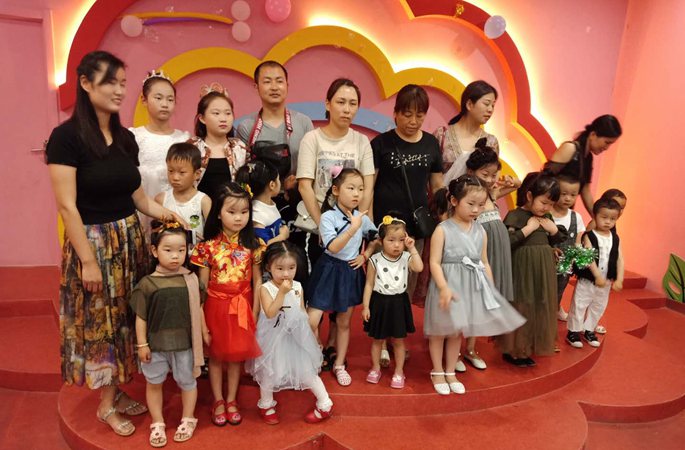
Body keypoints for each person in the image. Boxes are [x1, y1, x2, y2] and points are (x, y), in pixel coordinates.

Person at [46, 50, 192, 437]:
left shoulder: (125, 138)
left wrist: (169, 215)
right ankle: (105, 405)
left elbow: (138, 197)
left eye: (123, 83)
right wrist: (88, 261)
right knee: (102, 325)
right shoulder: (66, 139)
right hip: (93, 243)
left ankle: (116, 390)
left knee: (127, 320)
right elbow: (67, 206)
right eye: (110, 81)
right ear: (85, 83)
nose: (119, 90)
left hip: (129, 241)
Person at [297, 78, 375, 369]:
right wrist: (323, 226)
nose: (346, 109)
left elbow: (368, 186)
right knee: (317, 290)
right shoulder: (312, 139)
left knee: (343, 293)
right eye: (340, 102)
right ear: (328, 104)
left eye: (353, 103)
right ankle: (312, 349)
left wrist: (357, 225)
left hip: (352, 229)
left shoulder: (361, 142)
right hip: (315, 226)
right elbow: (305, 185)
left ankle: (332, 347)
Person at [425, 176, 525, 395]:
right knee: (439, 332)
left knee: (456, 332)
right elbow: (434, 262)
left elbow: (484, 262)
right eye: (471, 204)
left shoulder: (481, 231)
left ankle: (450, 371)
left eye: (481, 205)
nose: (476, 210)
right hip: (447, 286)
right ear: (454, 201)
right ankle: (437, 371)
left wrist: (489, 287)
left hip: (468, 286)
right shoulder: (443, 229)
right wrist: (443, 287)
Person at [190, 183, 265, 426]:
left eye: (244, 212)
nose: (238, 218)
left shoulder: (253, 245)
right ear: (218, 213)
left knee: (236, 357)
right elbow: (202, 288)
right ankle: (218, 400)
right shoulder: (206, 247)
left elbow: (257, 280)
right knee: (216, 356)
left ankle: (232, 399)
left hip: (243, 305)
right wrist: (202, 322)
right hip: (215, 307)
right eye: (231, 212)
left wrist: (255, 311)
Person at [131, 222, 206, 447]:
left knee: (188, 382)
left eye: (181, 250)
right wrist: (142, 344)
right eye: (168, 250)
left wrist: (204, 333)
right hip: (156, 345)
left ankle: (188, 418)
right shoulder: (147, 284)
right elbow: (141, 317)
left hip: (185, 344)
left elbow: (199, 309)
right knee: (154, 383)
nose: (175, 256)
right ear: (154, 251)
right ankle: (157, 422)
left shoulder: (191, 279)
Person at [246, 242, 333, 425]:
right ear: (268, 267)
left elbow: (302, 313)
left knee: (307, 370)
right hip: (272, 339)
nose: (286, 274)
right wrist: (282, 293)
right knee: (269, 371)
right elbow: (270, 312)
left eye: (291, 268)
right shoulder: (265, 288)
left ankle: (325, 404)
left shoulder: (298, 286)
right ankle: (266, 404)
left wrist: (312, 337)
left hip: (295, 336)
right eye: (280, 268)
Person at [306, 168, 377, 387]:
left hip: (349, 271)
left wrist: (365, 255)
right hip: (328, 268)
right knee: (311, 320)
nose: (357, 194)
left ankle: (339, 365)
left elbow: (376, 238)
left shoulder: (362, 218)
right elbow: (333, 247)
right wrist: (353, 228)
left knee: (344, 322)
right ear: (336, 190)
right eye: (351, 188)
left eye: (361, 189)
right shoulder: (328, 217)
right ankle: (317, 350)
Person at [237, 61, 315, 252]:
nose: (274, 87)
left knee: (297, 257)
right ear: (256, 87)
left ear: (287, 85)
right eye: (267, 81)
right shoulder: (247, 127)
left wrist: (296, 182)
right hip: (260, 207)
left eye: (279, 81)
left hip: (297, 202)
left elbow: (312, 166)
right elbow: (244, 173)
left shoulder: (303, 123)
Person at [502, 172, 568, 367]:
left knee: (539, 305)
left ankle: (529, 346)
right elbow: (506, 242)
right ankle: (515, 350)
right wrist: (528, 229)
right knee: (522, 305)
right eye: (544, 202)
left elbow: (554, 239)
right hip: (522, 269)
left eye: (551, 204)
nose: (547, 208)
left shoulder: (546, 217)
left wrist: (553, 231)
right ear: (529, 196)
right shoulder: (515, 215)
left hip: (543, 269)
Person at [464, 147, 518, 370]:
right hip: (476, 254)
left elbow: (517, 184)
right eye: (484, 174)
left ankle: (469, 348)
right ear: (471, 171)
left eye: (494, 174)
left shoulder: (492, 193)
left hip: (496, 254)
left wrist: (509, 180)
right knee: (468, 301)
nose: (489, 179)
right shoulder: (466, 196)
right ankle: (454, 348)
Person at [361, 216, 423, 389]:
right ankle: (375, 368)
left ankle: (399, 371)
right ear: (381, 241)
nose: (397, 245)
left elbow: (419, 268)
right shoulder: (375, 260)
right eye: (391, 240)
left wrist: (412, 248)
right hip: (379, 302)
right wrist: (366, 306)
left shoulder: (406, 257)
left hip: (398, 303)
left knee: (398, 340)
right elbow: (369, 284)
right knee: (377, 340)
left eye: (401, 240)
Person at [130, 71, 190, 236]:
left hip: (175, 213)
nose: (165, 104)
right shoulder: (134, 137)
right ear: (144, 100)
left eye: (170, 99)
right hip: (140, 212)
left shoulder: (183, 139)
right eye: (158, 98)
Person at [566, 198, 624, 348]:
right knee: (580, 303)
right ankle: (573, 331)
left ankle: (589, 329)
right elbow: (588, 257)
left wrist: (619, 278)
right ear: (595, 215)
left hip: (606, 281)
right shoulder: (589, 235)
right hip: (588, 279)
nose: (608, 222)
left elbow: (619, 258)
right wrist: (597, 275)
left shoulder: (615, 238)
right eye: (604, 217)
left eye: (612, 219)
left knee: (598, 305)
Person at [544, 115, 622, 213]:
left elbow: (586, 191)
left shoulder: (588, 157)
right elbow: (545, 180)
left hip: (563, 213)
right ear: (593, 134)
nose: (607, 148)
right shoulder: (570, 148)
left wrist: (598, 216)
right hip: (549, 211)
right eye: (607, 142)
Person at [433, 80, 500, 184]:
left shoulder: (491, 142)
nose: (490, 110)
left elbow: (491, 184)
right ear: (469, 104)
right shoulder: (442, 135)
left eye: (493, 105)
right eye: (486, 104)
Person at [189, 85, 247, 198]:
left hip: (232, 207)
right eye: (216, 113)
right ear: (202, 118)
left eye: (228, 113)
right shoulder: (192, 147)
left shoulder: (239, 147)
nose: (223, 119)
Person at [154, 143, 211, 249]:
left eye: (182, 172)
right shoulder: (161, 199)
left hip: (196, 255)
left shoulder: (204, 201)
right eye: (171, 171)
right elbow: (155, 232)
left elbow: (211, 235)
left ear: (197, 174)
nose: (175, 177)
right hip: (169, 256)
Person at [589, 188, 627, 335]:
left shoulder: (612, 225)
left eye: (622, 207)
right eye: (616, 204)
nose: (619, 210)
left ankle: (591, 324)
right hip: (593, 270)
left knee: (599, 300)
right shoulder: (595, 224)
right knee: (586, 299)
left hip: (605, 271)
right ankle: (582, 326)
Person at [551, 174, 585, 322]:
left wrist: (580, 262)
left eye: (573, 195)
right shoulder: (547, 213)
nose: (568, 198)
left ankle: (556, 308)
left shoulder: (576, 217)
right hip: (547, 259)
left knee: (560, 287)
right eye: (563, 194)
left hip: (566, 262)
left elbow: (577, 241)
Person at [235, 161, 290, 246]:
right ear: (272, 185)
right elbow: (261, 247)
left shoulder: (269, 203)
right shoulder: (257, 215)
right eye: (278, 179)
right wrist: (282, 236)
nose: (280, 182)